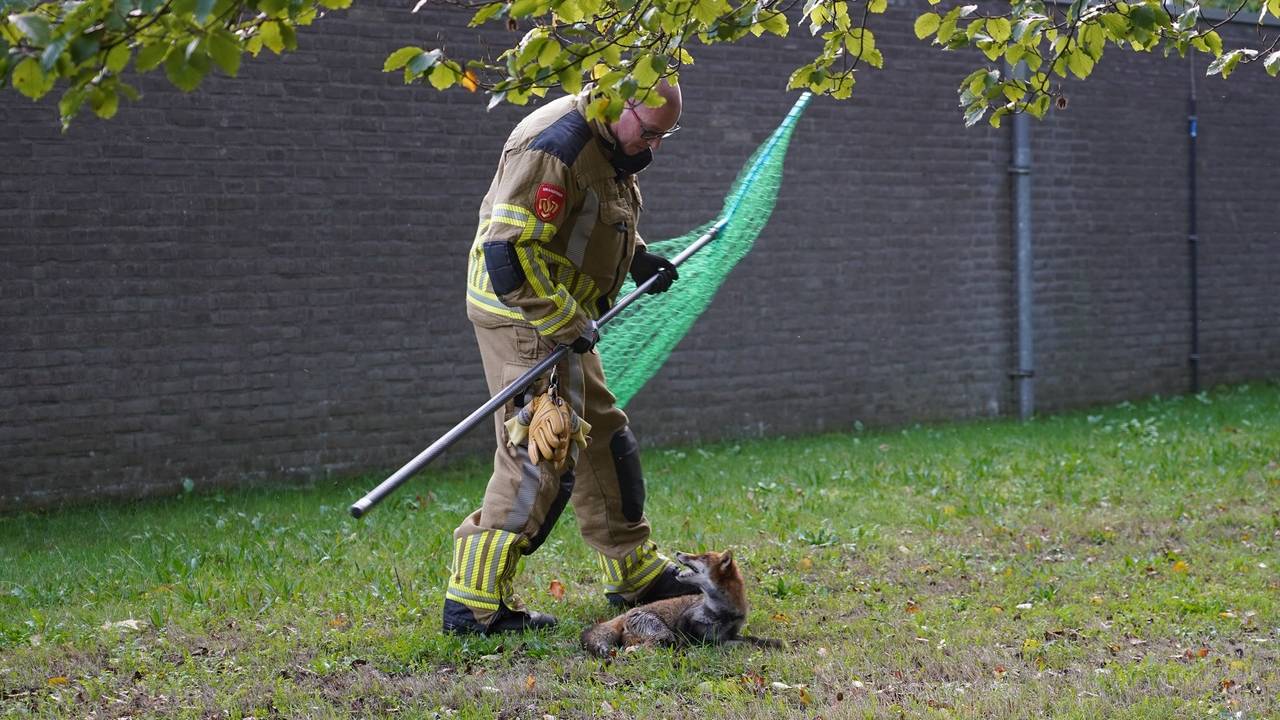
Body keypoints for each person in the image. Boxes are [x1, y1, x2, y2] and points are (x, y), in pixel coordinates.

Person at [442, 80, 697, 635]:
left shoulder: (611, 141)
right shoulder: (555, 148)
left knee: (605, 437)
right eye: (650, 131)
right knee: (542, 455)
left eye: (665, 135)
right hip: (526, 317)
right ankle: (474, 604)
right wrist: (561, 322)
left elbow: (590, 220)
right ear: (617, 100)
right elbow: (508, 252)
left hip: (564, 314)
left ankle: (634, 571)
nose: (654, 146)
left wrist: (637, 261)